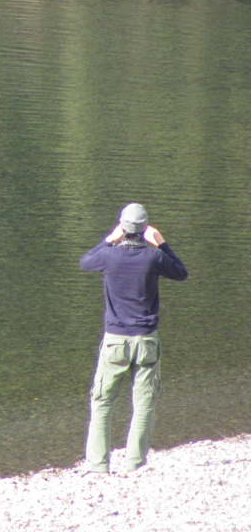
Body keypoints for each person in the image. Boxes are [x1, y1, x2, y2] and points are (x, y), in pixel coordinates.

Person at [79, 202, 188, 474]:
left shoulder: (108, 256)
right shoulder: (154, 257)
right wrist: (162, 243)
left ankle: (98, 465)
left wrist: (109, 239)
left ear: (122, 227)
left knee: (103, 402)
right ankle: (134, 464)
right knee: (144, 404)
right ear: (145, 230)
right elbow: (181, 272)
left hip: (115, 339)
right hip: (146, 341)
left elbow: (85, 262)